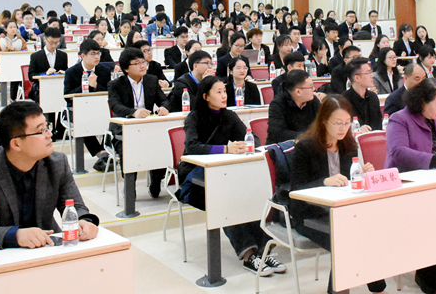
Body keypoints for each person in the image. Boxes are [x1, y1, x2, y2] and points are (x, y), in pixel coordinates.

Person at [177, 76, 285, 277]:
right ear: (206, 96)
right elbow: (191, 147)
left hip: (226, 173)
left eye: (224, 91)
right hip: (196, 179)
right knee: (225, 200)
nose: (224, 95)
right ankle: (249, 255)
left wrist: (245, 144)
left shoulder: (229, 115)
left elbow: (253, 138)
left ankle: (263, 251)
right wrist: (225, 149)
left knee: (251, 193)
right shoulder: (194, 117)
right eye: (218, 92)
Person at [0, 102, 99, 250]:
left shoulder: (57, 163)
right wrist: (14, 235)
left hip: (48, 248)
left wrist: (84, 220)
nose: (49, 134)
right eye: (41, 131)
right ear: (16, 144)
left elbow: (75, 206)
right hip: (4, 255)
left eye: (47, 127)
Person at [290, 95, 379, 294]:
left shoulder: (349, 144)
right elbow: (296, 190)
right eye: (338, 123)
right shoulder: (305, 146)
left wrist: (362, 174)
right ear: (324, 121)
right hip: (310, 215)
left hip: (341, 211)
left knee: (371, 234)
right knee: (344, 243)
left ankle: (378, 288)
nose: (343, 128)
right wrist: (324, 181)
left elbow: (348, 183)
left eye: (347, 123)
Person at [384, 78, 436, 292]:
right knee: (435, 219)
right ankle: (426, 275)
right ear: (422, 101)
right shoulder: (399, 119)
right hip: (409, 185)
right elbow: (398, 152)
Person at [108, 48, 169, 197]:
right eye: (137, 63)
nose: (142, 66)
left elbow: (164, 100)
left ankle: (156, 179)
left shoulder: (151, 80)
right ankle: (130, 185)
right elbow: (115, 106)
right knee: (128, 150)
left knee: (163, 144)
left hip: (148, 126)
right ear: (126, 68)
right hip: (124, 128)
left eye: (143, 62)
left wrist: (164, 108)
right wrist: (133, 113)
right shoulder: (115, 84)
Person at [63, 39, 111, 167]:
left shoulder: (104, 71)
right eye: (93, 54)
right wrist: (86, 85)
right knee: (82, 121)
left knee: (113, 119)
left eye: (98, 53)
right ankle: (100, 152)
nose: (96, 57)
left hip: (99, 108)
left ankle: (107, 151)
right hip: (77, 110)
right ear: (83, 56)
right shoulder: (71, 72)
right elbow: (67, 96)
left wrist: (96, 86)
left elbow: (109, 93)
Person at [267, 70, 321, 144]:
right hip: (283, 147)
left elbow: (323, 123)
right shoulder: (277, 104)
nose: (314, 89)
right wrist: (307, 136)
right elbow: (279, 133)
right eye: (311, 86)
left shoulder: (313, 101)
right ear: (298, 92)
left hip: (308, 144)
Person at [339, 58, 382, 131]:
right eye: (368, 73)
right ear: (357, 78)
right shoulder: (344, 100)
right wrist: (358, 129)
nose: (372, 76)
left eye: (371, 72)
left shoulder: (373, 97)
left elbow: (378, 125)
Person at [27, 27, 68, 103]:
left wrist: (65, 73)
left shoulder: (63, 55)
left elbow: (66, 72)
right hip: (41, 89)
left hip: (59, 88)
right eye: (51, 42)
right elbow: (31, 76)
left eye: (56, 42)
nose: (54, 45)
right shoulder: (36, 56)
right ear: (45, 39)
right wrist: (45, 74)